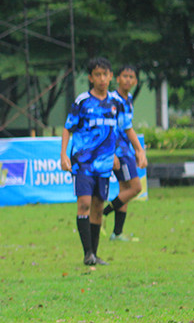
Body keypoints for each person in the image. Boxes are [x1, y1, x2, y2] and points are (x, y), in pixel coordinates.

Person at [60, 57, 130, 266]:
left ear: (110, 77)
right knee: (84, 203)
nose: (101, 78)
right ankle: (87, 253)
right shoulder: (82, 102)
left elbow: (116, 131)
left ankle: (95, 254)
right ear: (90, 78)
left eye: (105, 74)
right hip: (83, 162)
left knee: (98, 206)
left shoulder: (116, 103)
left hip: (104, 163)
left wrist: (116, 154)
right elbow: (67, 127)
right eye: (97, 75)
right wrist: (63, 155)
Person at [102, 65, 148, 241]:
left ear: (135, 81)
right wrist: (139, 150)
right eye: (125, 76)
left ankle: (117, 233)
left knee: (125, 190)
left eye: (131, 77)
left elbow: (127, 126)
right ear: (117, 78)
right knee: (135, 188)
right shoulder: (114, 100)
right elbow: (125, 128)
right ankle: (103, 213)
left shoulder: (128, 98)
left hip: (125, 149)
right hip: (120, 151)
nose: (128, 79)